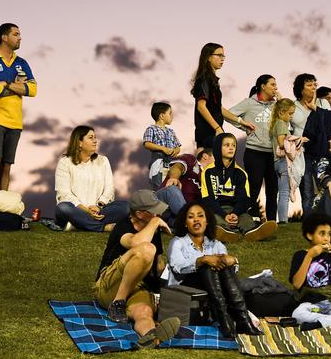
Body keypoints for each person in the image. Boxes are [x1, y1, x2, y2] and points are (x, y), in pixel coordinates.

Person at [93, 190, 181, 347]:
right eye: (153, 211)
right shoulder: (123, 226)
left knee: (144, 312)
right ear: (140, 214)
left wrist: (159, 293)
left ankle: (151, 336)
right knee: (147, 249)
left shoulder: (152, 231)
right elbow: (136, 244)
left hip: (138, 285)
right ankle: (118, 303)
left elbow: (158, 265)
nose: (158, 215)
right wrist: (155, 223)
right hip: (108, 286)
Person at [167, 200, 262, 338]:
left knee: (221, 265)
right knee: (208, 266)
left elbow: (230, 274)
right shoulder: (178, 242)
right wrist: (202, 260)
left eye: (200, 216)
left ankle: (242, 320)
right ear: (185, 223)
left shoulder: (216, 244)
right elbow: (177, 267)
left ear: (207, 221)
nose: (196, 220)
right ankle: (225, 320)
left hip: (212, 289)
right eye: (191, 217)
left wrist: (233, 260)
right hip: (184, 287)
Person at [0, 23, 37, 191]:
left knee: (6, 165)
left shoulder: (21, 63)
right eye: (16, 34)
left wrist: (5, 83)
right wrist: (17, 86)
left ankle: (2, 208)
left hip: (15, 120)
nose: (20, 37)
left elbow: (32, 89)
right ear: (4, 37)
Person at [201, 133, 278, 242]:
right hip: (217, 209)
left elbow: (244, 199)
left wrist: (236, 213)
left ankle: (251, 232)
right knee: (215, 219)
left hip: (235, 209)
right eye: (227, 145)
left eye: (233, 145)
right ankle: (226, 232)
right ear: (218, 148)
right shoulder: (208, 172)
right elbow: (207, 199)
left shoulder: (240, 173)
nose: (231, 148)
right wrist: (224, 215)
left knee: (245, 218)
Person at [55, 126, 130, 232]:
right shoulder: (65, 162)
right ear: (79, 142)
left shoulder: (103, 160)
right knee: (63, 208)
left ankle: (79, 224)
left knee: (126, 207)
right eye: (91, 137)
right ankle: (102, 227)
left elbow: (109, 188)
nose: (95, 141)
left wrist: (98, 206)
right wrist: (86, 210)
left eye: (95, 137)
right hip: (76, 210)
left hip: (99, 210)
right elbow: (64, 194)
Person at [229, 74, 281, 222]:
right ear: (262, 86)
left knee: (272, 190)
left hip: (273, 153)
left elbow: (289, 114)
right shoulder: (249, 103)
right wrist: (243, 124)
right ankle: (248, 219)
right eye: (272, 84)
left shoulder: (276, 105)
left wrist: (280, 98)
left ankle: (272, 222)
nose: (275, 87)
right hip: (254, 152)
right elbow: (229, 114)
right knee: (253, 188)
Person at [290, 73, 331, 217]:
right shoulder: (293, 106)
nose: (313, 88)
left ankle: (329, 218)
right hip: (302, 151)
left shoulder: (322, 103)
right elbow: (288, 128)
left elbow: (330, 121)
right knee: (307, 189)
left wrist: (315, 108)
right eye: (309, 85)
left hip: (322, 150)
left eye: (315, 84)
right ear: (301, 88)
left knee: (326, 184)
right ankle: (308, 220)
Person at [190, 43, 255, 151]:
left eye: (223, 56)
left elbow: (218, 108)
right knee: (213, 165)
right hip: (207, 134)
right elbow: (201, 106)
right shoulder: (204, 79)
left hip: (215, 132)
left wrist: (241, 121)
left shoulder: (213, 81)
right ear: (208, 57)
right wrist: (217, 128)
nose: (222, 59)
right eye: (219, 55)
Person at [155, 148, 214, 224]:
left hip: (179, 212)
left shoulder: (210, 178)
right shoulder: (192, 160)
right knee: (173, 189)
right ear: (205, 156)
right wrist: (174, 177)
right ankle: (191, 222)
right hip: (165, 200)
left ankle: (182, 224)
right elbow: (178, 166)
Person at [270, 98, 302, 224]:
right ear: (281, 112)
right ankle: (283, 221)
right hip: (283, 162)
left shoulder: (276, 124)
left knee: (282, 192)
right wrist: (298, 140)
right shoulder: (281, 124)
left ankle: (282, 219)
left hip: (276, 162)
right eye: (290, 114)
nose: (291, 117)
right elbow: (282, 144)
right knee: (284, 192)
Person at [142, 102, 181, 190]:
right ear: (162, 116)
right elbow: (147, 143)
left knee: (172, 185)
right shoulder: (152, 129)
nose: (172, 116)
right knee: (159, 186)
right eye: (170, 113)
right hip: (158, 162)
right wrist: (163, 149)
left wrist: (176, 151)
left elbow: (178, 146)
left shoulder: (171, 131)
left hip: (172, 162)